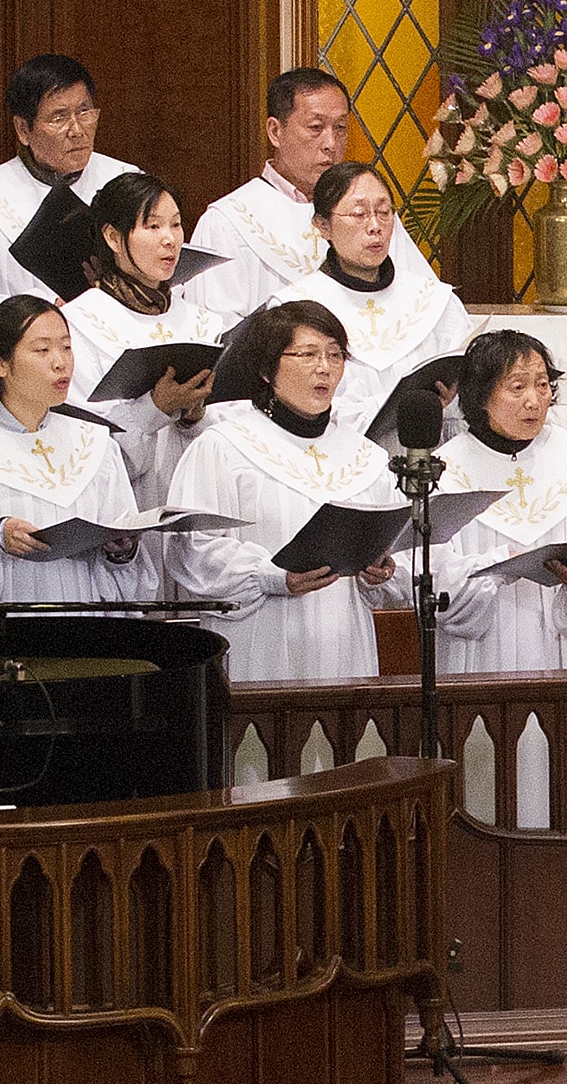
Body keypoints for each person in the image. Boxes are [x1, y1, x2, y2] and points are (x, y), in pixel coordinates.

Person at [165, 300, 409, 683]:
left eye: (335, 355)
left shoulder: (366, 457)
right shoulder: (225, 447)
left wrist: (379, 570)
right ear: (266, 369)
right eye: (308, 354)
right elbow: (192, 549)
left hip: (345, 642)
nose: (325, 368)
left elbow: (384, 554)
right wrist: (269, 575)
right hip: (261, 640)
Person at [0, 296, 155, 604]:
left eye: (66, 347)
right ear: (0, 363)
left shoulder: (96, 445)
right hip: (4, 637)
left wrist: (121, 551)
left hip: (87, 633)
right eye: (43, 350)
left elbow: (127, 582)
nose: (60, 362)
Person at [434, 330, 567, 676]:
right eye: (517, 387)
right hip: (477, 656)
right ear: (481, 396)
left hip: (563, 654)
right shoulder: (445, 471)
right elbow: (437, 589)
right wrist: (498, 566)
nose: (534, 400)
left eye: (542, 385)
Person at [61, 172, 230, 505]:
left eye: (176, 224)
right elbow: (80, 446)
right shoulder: (78, 324)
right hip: (125, 511)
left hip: (196, 507)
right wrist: (155, 408)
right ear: (112, 236)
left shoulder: (202, 322)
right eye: (153, 227)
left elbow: (231, 436)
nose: (169, 239)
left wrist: (195, 415)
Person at [276, 161, 474, 443]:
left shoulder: (435, 302)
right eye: (358, 214)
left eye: (383, 212)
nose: (374, 226)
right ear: (322, 225)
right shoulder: (294, 309)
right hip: (332, 462)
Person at [187, 65, 357, 320]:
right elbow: (214, 329)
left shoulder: (367, 212)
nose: (330, 144)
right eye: (315, 127)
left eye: (340, 127)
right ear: (275, 131)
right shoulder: (227, 221)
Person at [0, 54, 143, 287]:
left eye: (84, 112)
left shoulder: (129, 183)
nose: (77, 130)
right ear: (23, 129)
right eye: (59, 117)